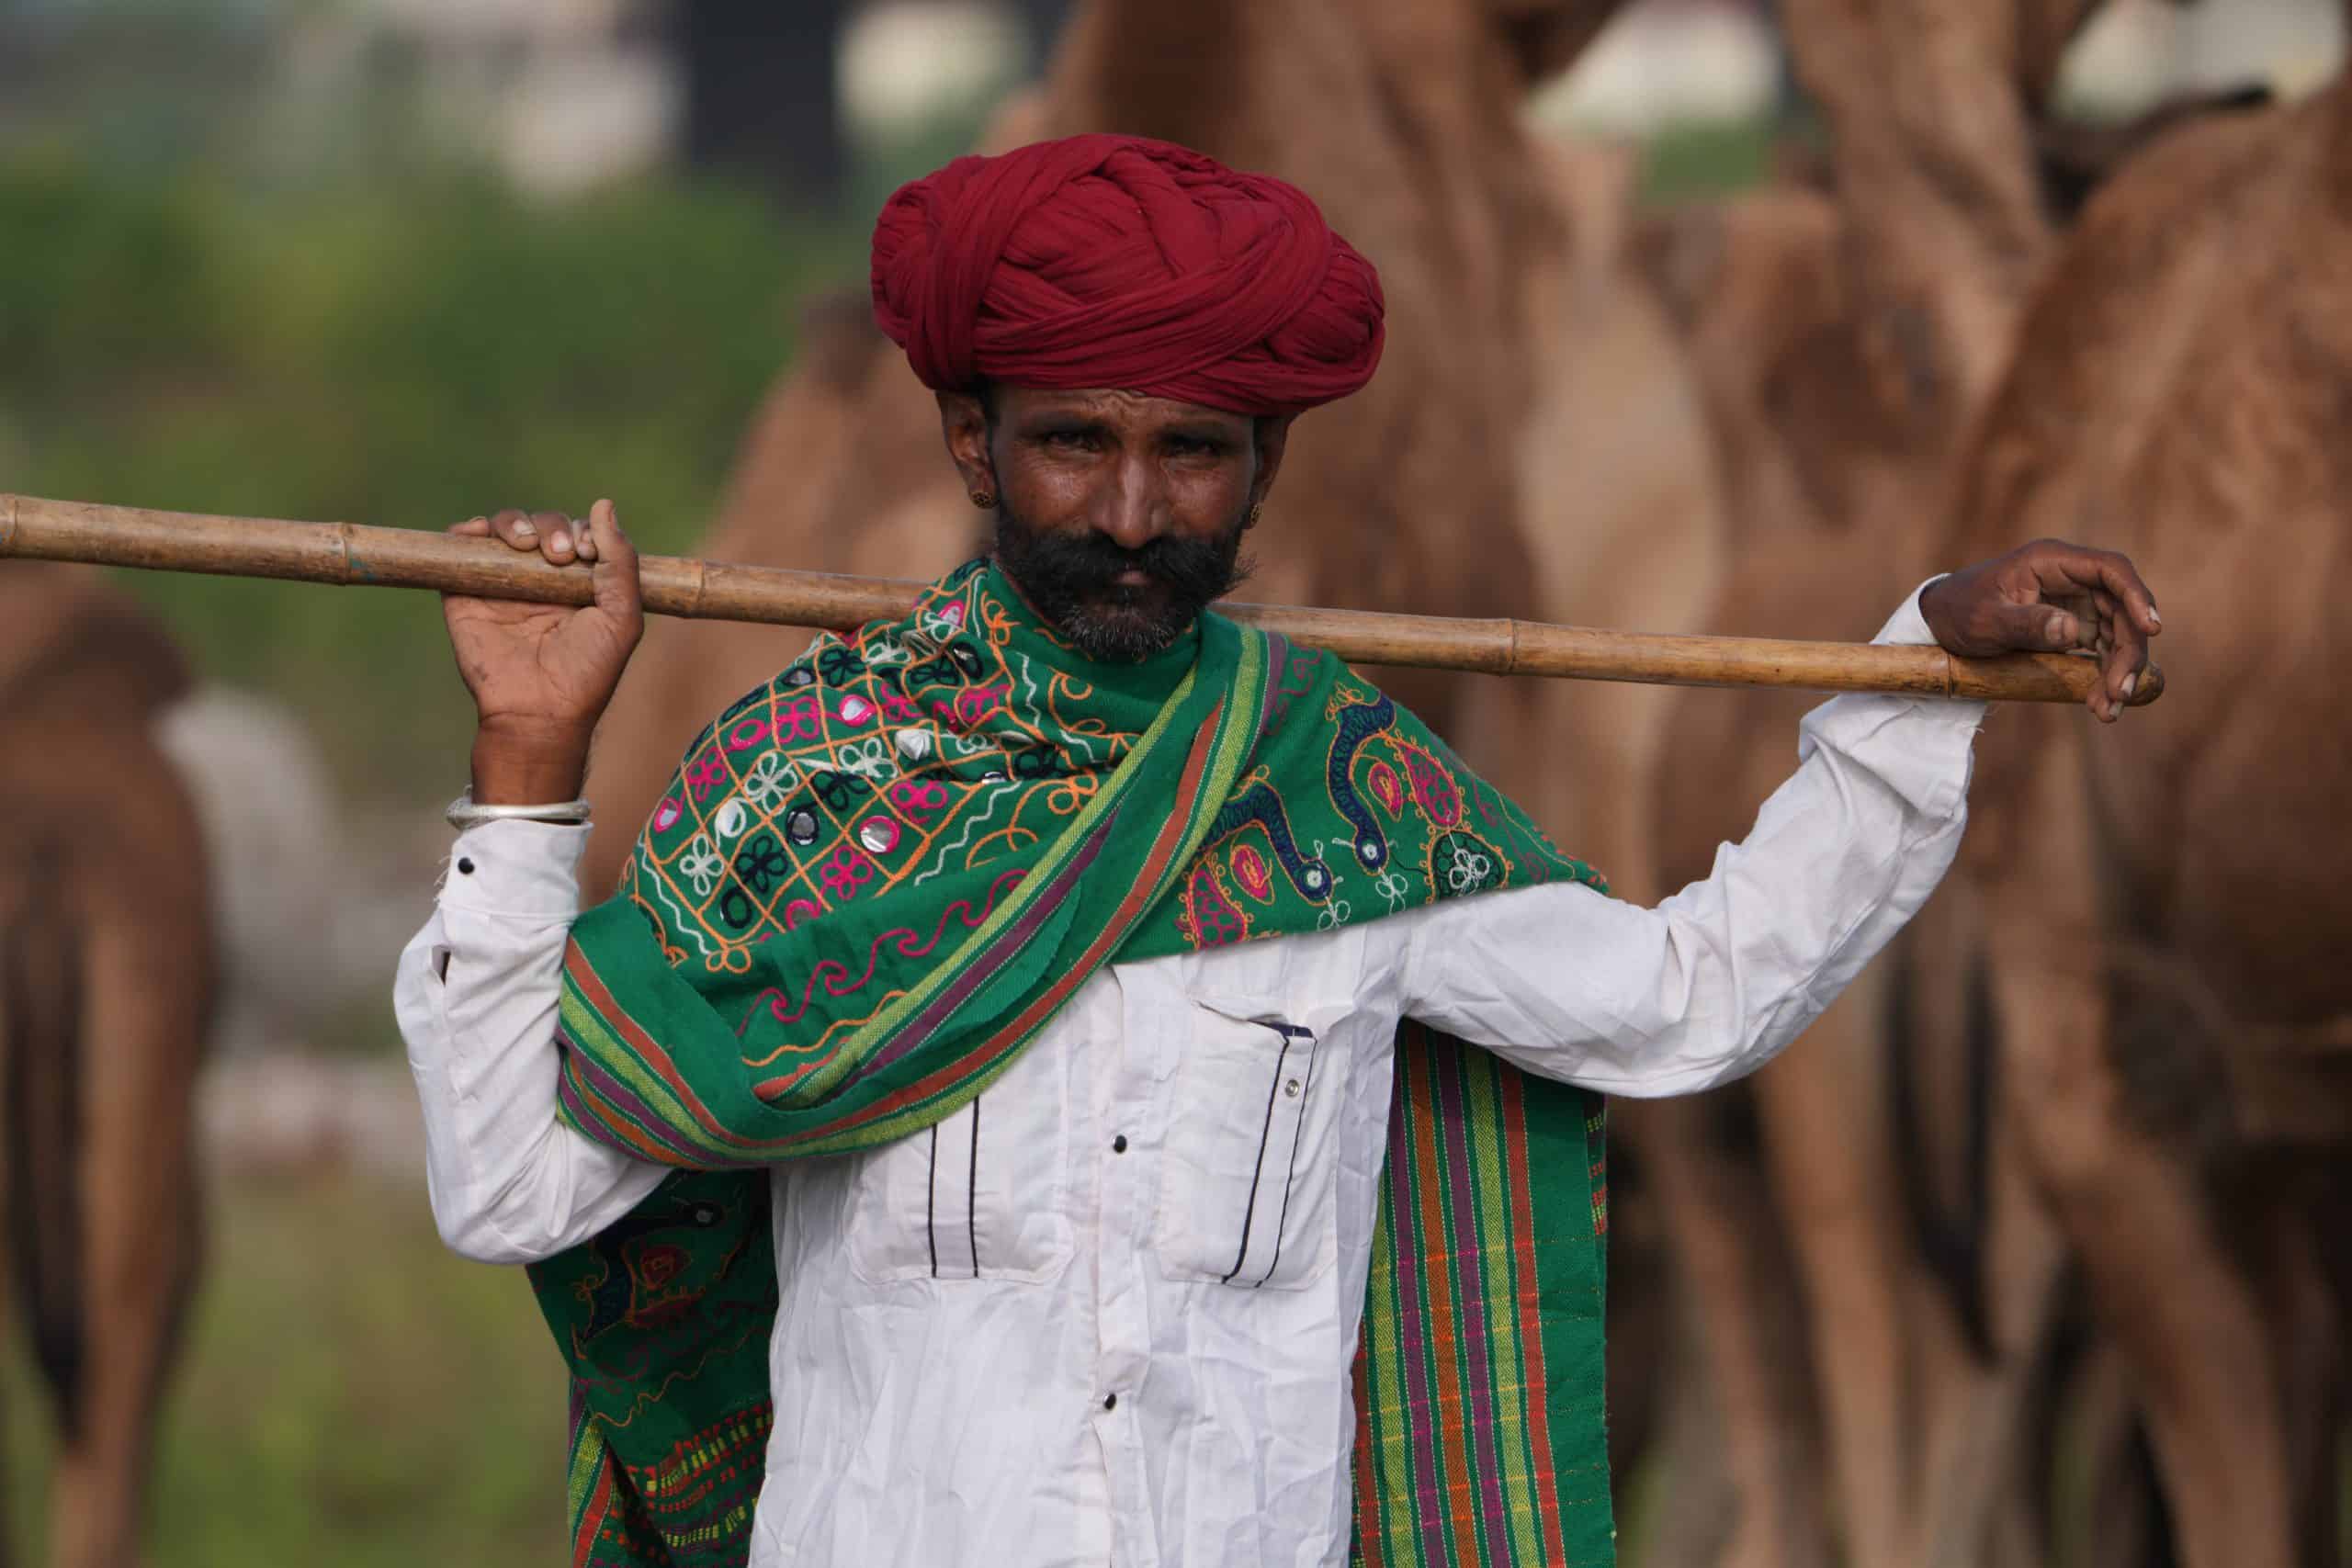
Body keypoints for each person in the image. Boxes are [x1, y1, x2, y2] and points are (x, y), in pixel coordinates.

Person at [393, 134, 2159, 1568]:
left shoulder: (1341, 795)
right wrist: (530, 762)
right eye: (1073, 443)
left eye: (1192, 454)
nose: (1133, 514)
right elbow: (510, 1188)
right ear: (970, 444)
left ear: (1268, 468)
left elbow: (1691, 998)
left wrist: (1926, 672)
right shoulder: (815, 784)